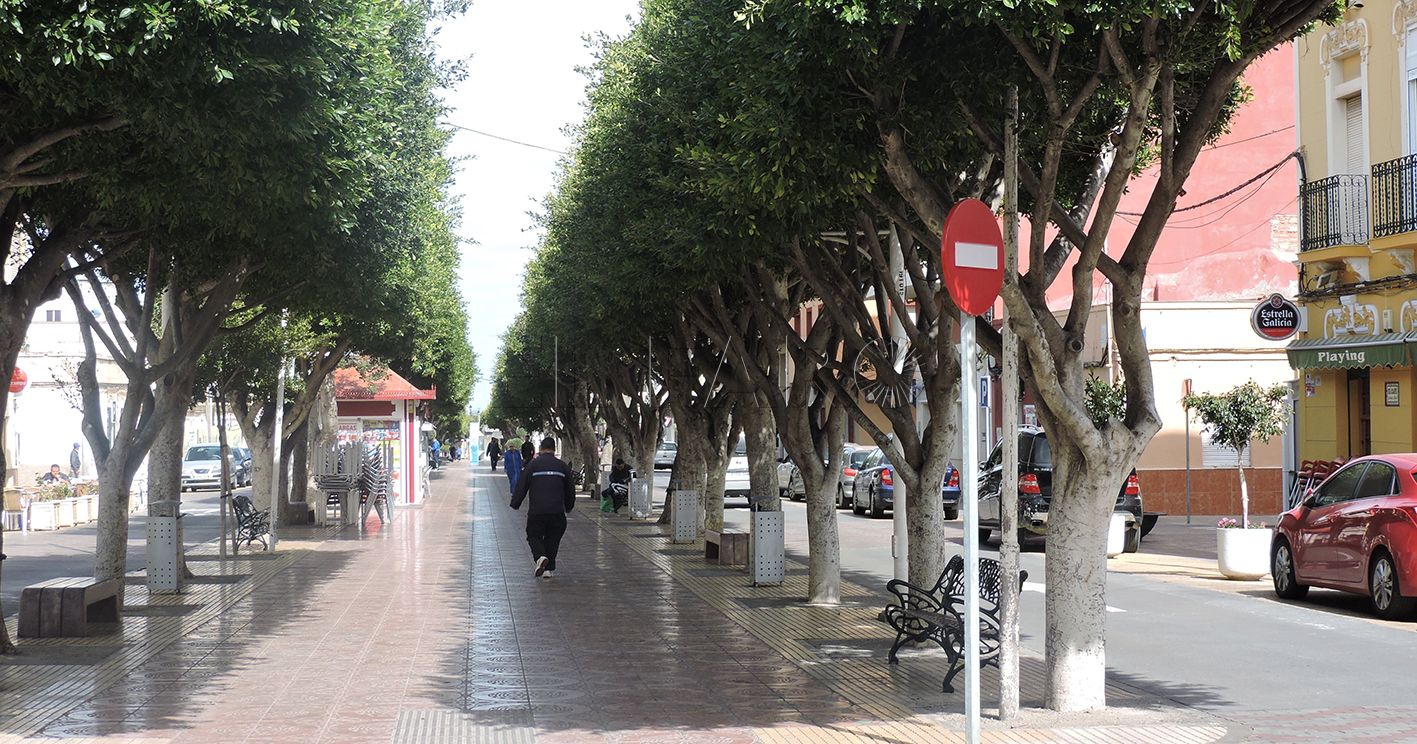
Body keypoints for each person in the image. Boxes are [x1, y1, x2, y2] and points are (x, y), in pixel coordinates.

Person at [509, 437, 575, 578]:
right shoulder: (563, 466)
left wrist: (515, 503)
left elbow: (522, 485)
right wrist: (569, 507)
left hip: (537, 511)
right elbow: (570, 489)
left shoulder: (532, 466)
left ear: (540, 449)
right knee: (553, 538)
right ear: (554, 449)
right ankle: (548, 569)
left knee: (533, 535)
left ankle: (540, 557)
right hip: (557, 511)